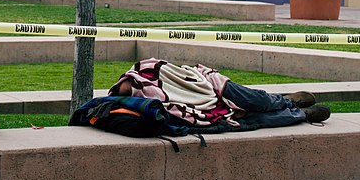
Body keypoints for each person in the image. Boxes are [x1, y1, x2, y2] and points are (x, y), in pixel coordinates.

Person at [110, 58, 330, 132]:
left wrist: (200, 86)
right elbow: (175, 109)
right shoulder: (144, 105)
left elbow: (174, 72)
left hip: (208, 85)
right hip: (204, 111)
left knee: (253, 100)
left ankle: (288, 100)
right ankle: (302, 114)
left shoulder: (145, 69)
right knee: (253, 120)